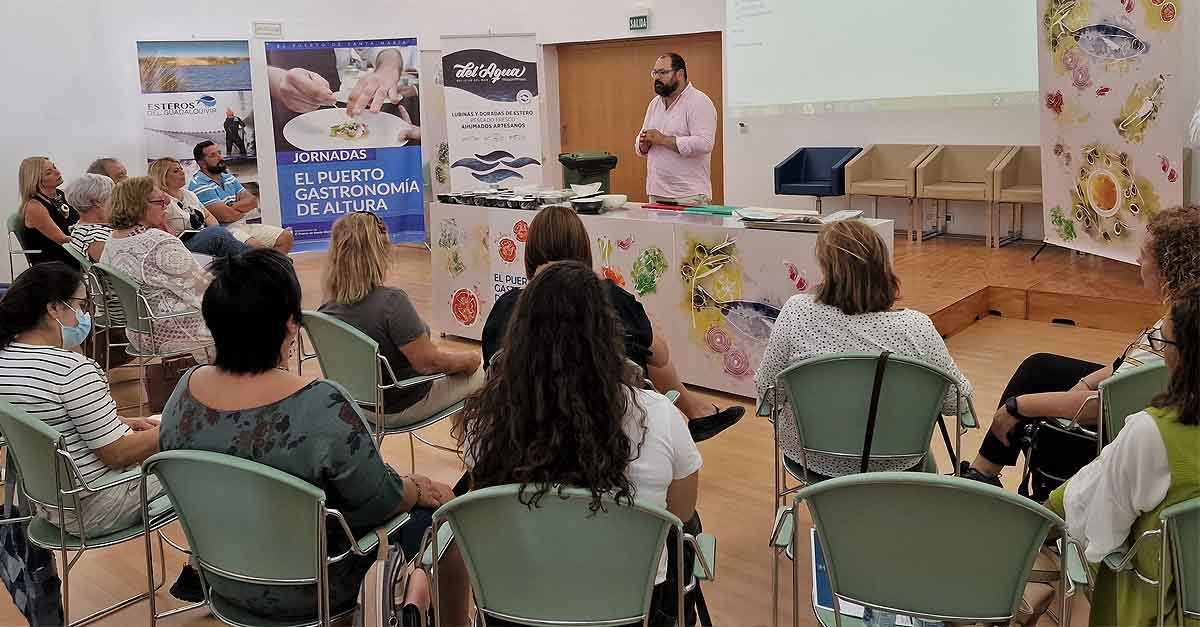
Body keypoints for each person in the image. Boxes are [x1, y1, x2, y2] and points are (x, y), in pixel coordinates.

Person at [159, 249, 469, 621]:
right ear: (291, 325)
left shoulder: (184, 391)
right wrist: (418, 488)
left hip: (220, 577)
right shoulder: (319, 404)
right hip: (316, 584)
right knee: (447, 518)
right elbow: (380, 501)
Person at [463, 260, 702, 627]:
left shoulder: (488, 421)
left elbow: (481, 505)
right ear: (608, 334)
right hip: (630, 613)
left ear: (519, 336)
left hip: (514, 611)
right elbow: (681, 516)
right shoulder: (658, 415)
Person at [962, 206, 1200, 489]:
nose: (1138, 260)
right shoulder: (1186, 310)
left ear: (1170, 266)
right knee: (1040, 368)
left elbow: (1106, 405)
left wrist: (1016, 408)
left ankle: (985, 482)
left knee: (1031, 408)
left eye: (1145, 255)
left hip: (1120, 430)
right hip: (1136, 405)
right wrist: (1085, 382)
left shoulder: (1175, 330)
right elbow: (1123, 366)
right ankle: (983, 475)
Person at [480, 205, 743, 442]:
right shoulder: (611, 298)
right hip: (610, 428)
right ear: (582, 250)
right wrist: (648, 325)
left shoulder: (506, 306)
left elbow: (491, 371)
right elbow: (661, 357)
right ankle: (696, 411)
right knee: (646, 345)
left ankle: (696, 410)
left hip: (524, 431)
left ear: (530, 255)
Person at [755, 219, 972, 477]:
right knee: (926, 460)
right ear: (883, 267)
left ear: (827, 269)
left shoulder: (796, 312)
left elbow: (768, 392)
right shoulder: (916, 327)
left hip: (811, 458)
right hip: (896, 461)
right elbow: (956, 402)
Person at [1047, 283, 1200, 626]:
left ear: (1184, 354)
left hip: (1159, 611)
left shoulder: (1153, 433)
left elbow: (1101, 538)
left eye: (1164, 342)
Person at [0, 262, 162, 536]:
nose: (86, 316)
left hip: (49, 504)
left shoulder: (8, 357)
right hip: (100, 503)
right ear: (54, 308)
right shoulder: (71, 370)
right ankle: (200, 573)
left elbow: (45, 418)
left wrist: (122, 421)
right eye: (82, 306)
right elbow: (117, 454)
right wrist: (180, 427)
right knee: (206, 470)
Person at [319, 212, 483, 424]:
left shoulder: (327, 307)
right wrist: (470, 359)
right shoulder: (391, 303)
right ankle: (475, 452)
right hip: (399, 404)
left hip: (355, 403)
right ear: (377, 254)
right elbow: (429, 364)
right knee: (482, 374)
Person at [100, 177, 212, 357]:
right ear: (138, 205)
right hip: (179, 331)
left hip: (140, 332)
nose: (166, 206)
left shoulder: (114, 240)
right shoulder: (157, 241)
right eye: (160, 202)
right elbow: (204, 291)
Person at [634, 53, 717, 207]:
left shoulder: (699, 102)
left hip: (689, 195)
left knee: (690, 233)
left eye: (663, 73)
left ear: (680, 74)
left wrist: (663, 140)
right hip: (657, 192)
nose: (657, 78)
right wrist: (643, 144)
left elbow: (705, 143)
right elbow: (640, 140)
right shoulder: (654, 104)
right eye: (655, 73)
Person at [187, 140, 294, 252]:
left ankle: (274, 267)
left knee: (285, 237)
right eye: (213, 155)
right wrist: (241, 208)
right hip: (224, 232)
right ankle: (272, 266)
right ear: (202, 163)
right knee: (259, 249)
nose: (220, 157)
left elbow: (252, 202)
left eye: (219, 153)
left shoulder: (227, 177)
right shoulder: (199, 185)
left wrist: (232, 206)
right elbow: (226, 216)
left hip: (242, 225)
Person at [148, 157, 249, 258]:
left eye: (181, 169)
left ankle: (254, 259)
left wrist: (214, 230)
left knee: (222, 233)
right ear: (162, 177)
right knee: (219, 235)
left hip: (202, 235)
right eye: (175, 171)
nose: (182, 172)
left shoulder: (189, 194)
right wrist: (215, 232)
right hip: (180, 244)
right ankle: (255, 260)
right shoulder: (160, 201)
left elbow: (208, 216)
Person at [15, 157, 79, 267]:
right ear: (35, 180)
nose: (57, 172)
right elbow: (62, 240)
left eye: (54, 167)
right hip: (55, 263)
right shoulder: (34, 207)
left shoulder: (62, 194)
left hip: (73, 253)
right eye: (49, 173)